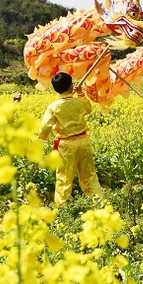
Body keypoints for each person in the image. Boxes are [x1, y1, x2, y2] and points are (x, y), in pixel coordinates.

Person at [39, 72, 103, 205]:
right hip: (84, 141)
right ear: (71, 86)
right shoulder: (79, 102)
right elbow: (88, 108)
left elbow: (45, 127)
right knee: (90, 176)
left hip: (67, 146)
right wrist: (80, 93)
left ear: (56, 89)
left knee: (64, 178)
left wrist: (43, 137)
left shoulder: (54, 107)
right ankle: (100, 203)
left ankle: (63, 209)